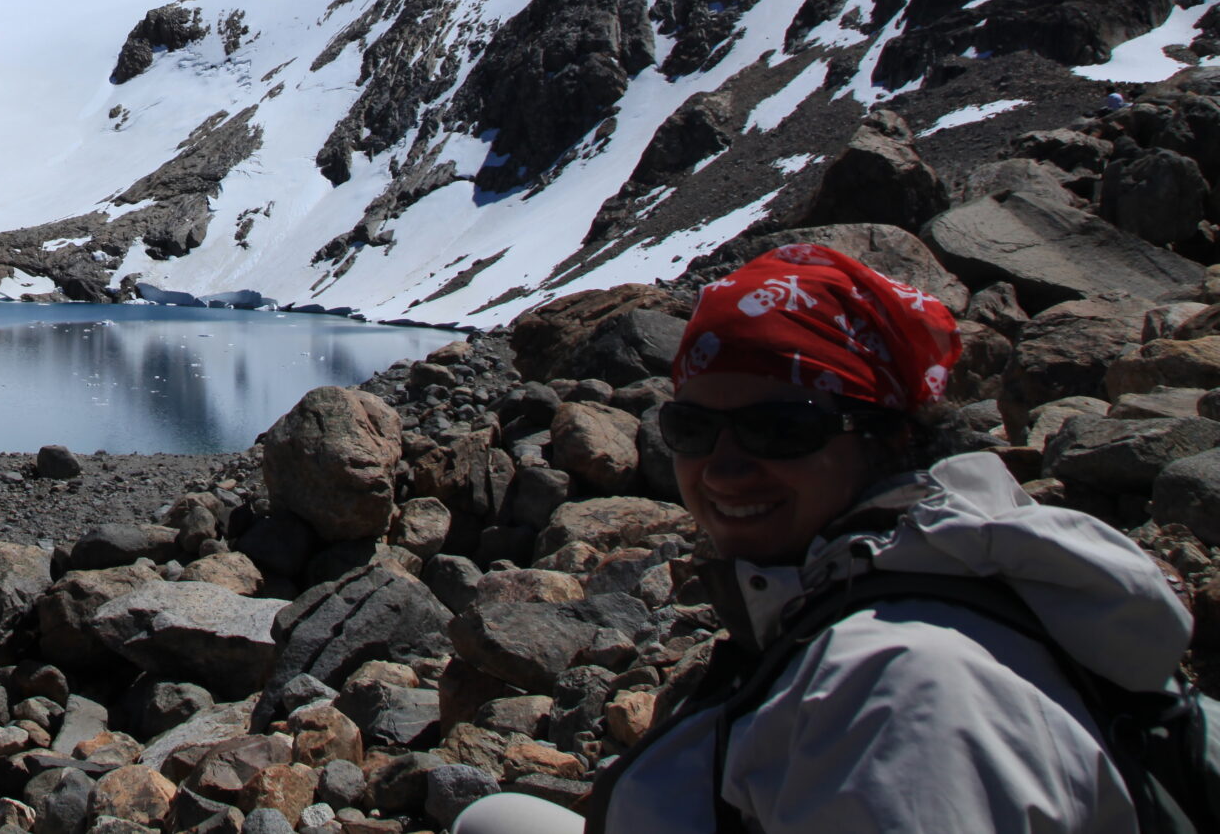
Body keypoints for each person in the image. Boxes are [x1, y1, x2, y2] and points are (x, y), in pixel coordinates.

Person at [457, 244, 1191, 834]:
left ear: (888, 437)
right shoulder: (888, 574)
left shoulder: (900, 688)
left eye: (782, 427)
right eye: (692, 428)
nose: (727, 466)